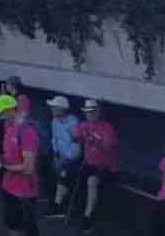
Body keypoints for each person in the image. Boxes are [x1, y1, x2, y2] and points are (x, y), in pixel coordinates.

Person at [0, 94, 40, 236]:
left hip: (24, 192)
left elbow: (28, 168)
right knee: (12, 226)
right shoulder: (9, 128)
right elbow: (10, 156)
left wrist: (0, 167)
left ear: (10, 111)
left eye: (1, 113)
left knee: (28, 229)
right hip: (8, 187)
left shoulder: (27, 132)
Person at [72, 99, 119, 233]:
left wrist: (94, 141)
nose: (90, 115)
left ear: (98, 112)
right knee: (69, 171)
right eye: (88, 113)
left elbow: (109, 149)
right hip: (88, 162)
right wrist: (75, 136)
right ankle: (62, 206)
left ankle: (88, 216)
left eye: (93, 112)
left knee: (92, 181)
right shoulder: (84, 125)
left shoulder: (107, 128)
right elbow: (76, 138)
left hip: (106, 166)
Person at [43, 95, 81, 218]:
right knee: (47, 170)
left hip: (72, 158)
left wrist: (66, 157)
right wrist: (57, 154)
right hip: (59, 155)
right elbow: (55, 140)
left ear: (61, 109)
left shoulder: (73, 122)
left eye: (54, 108)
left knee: (64, 173)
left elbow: (77, 145)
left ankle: (58, 206)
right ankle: (50, 198)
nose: (52, 110)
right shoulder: (54, 122)